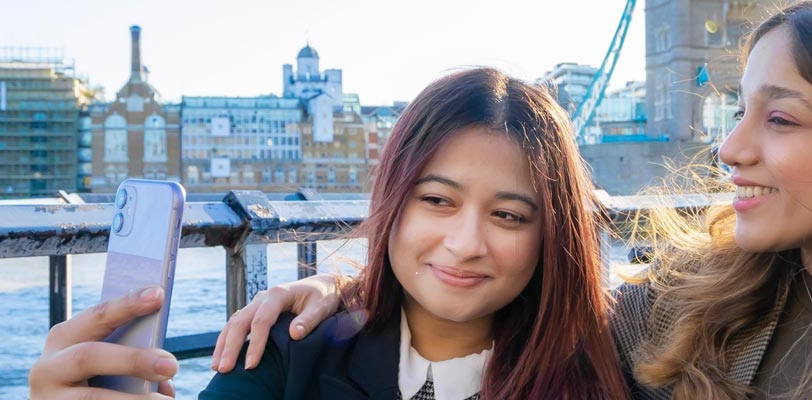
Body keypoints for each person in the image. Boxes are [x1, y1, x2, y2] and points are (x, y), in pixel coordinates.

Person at [211, 1, 812, 399]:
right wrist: (341, 298)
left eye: (782, 118)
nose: (730, 147)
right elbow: (484, 309)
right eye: (737, 109)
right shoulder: (681, 315)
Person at [31, 67, 630, 400]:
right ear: (391, 201)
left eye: (508, 215)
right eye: (437, 200)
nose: (467, 241)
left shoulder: (618, 361)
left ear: (552, 232)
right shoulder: (288, 349)